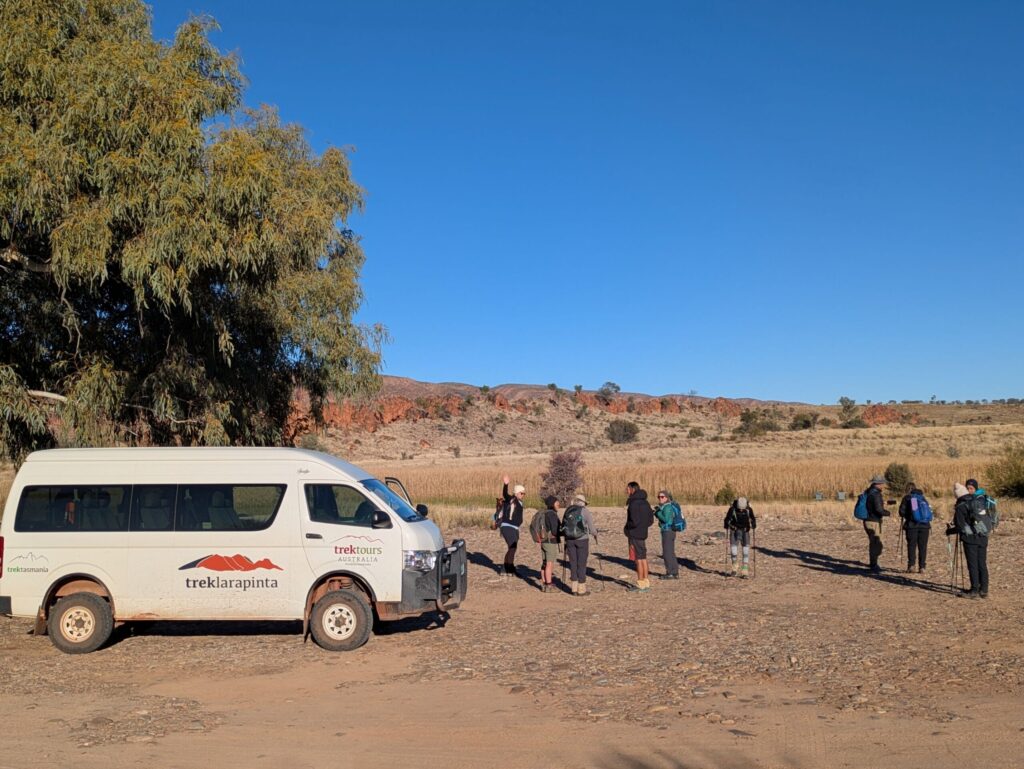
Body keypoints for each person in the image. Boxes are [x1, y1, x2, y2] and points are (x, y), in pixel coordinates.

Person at [952, 482, 990, 598]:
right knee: (982, 563)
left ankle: (974, 590)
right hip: (983, 535)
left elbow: (960, 526)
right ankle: (984, 590)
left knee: (973, 564)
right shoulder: (978, 501)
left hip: (970, 539)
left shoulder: (961, 506)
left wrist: (950, 531)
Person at [562, 494, 598, 596]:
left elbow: (563, 525)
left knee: (573, 563)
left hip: (569, 540)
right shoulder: (585, 511)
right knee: (581, 564)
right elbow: (591, 527)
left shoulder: (568, 510)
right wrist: (595, 534)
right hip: (582, 540)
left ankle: (573, 588)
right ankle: (581, 589)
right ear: (583, 503)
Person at [624, 481, 654, 592]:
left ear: (632, 489)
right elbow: (651, 520)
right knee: (643, 557)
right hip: (643, 533)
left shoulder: (633, 503)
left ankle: (641, 583)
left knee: (638, 559)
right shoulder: (645, 502)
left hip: (635, 534)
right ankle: (646, 582)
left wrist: (627, 527)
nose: (626, 491)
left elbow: (634, 521)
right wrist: (643, 526)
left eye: (627, 489)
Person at [898, 484, 931, 574]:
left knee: (911, 545)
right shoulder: (923, 498)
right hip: (925, 526)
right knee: (923, 547)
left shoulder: (907, 498)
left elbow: (901, 512)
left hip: (911, 525)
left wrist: (907, 516)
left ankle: (911, 565)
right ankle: (922, 567)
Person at [861, 474, 891, 573]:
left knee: (873, 542)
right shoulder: (876, 494)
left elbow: (873, 505)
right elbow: (878, 510)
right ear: (878, 484)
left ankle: (873, 562)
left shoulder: (868, 492)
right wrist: (887, 513)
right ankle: (874, 565)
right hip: (874, 521)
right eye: (882, 483)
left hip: (867, 520)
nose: (883, 485)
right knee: (876, 543)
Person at [497, 475, 526, 577]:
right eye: (522, 493)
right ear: (517, 493)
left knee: (512, 548)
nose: (523, 495)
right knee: (512, 547)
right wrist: (506, 484)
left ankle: (509, 568)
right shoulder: (512, 499)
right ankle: (507, 568)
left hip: (514, 528)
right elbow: (505, 494)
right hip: (507, 526)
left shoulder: (520, 503)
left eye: (524, 493)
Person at [723, 496, 757, 577]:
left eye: (743, 508)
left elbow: (752, 518)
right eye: (739, 508)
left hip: (745, 531)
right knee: (733, 551)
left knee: (746, 552)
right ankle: (734, 568)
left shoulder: (749, 510)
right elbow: (727, 519)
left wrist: (754, 524)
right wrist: (727, 524)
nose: (741, 510)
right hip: (734, 530)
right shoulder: (732, 509)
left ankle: (745, 570)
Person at [654, 490, 681, 580]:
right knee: (671, 552)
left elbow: (666, 519)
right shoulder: (666, 506)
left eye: (662, 497)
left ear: (667, 497)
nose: (660, 498)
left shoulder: (667, 507)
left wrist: (657, 513)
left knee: (667, 553)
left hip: (667, 531)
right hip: (670, 531)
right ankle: (674, 572)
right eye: (659, 497)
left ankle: (670, 573)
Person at [538, 495, 562, 592]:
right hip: (550, 542)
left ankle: (544, 584)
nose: (558, 504)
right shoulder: (552, 514)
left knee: (544, 563)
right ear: (552, 504)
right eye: (557, 502)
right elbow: (555, 531)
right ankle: (549, 585)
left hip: (543, 541)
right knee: (549, 563)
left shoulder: (544, 513)